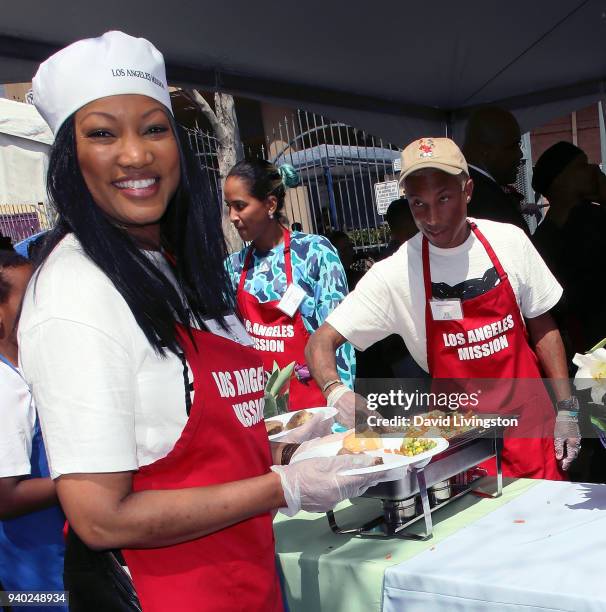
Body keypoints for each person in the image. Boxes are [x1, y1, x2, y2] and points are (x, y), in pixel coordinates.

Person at [18, 31, 390, 612]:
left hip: (244, 574)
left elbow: (176, 439)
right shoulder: (75, 290)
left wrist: (285, 440)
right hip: (170, 591)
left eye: (154, 128)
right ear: (71, 158)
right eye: (102, 133)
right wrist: (284, 488)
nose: (135, 154)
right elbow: (101, 518)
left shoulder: (174, 265)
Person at [306, 137, 582, 479]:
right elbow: (320, 341)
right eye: (418, 203)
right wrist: (336, 392)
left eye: (444, 198)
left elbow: (544, 328)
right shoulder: (394, 272)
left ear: (467, 190)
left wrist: (567, 410)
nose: (432, 218)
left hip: (531, 431)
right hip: (459, 448)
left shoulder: (508, 241)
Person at [225, 160, 355, 410]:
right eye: (229, 207)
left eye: (240, 206)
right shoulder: (233, 267)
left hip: (318, 412)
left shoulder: (315, 253)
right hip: (261, 416)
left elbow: (341, 340)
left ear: (270, 204)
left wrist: (341, 410)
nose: (232, 217)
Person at [0, 251, 66, 611]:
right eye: (30, 301)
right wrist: (82, 479)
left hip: (56, 559)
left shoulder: (25, 367)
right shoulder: (5, 387)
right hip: (35, 582)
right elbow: (6, 498)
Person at [532, 141, 606, 352]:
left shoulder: (597, 216)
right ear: (560, 180)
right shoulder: (541, 241)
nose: (594, 169)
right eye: (582, 165)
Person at [462, 107, 530, 234]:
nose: (520, 154)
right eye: (512, 146)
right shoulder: (484, 201)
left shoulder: (467, 190)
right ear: (484, 150)